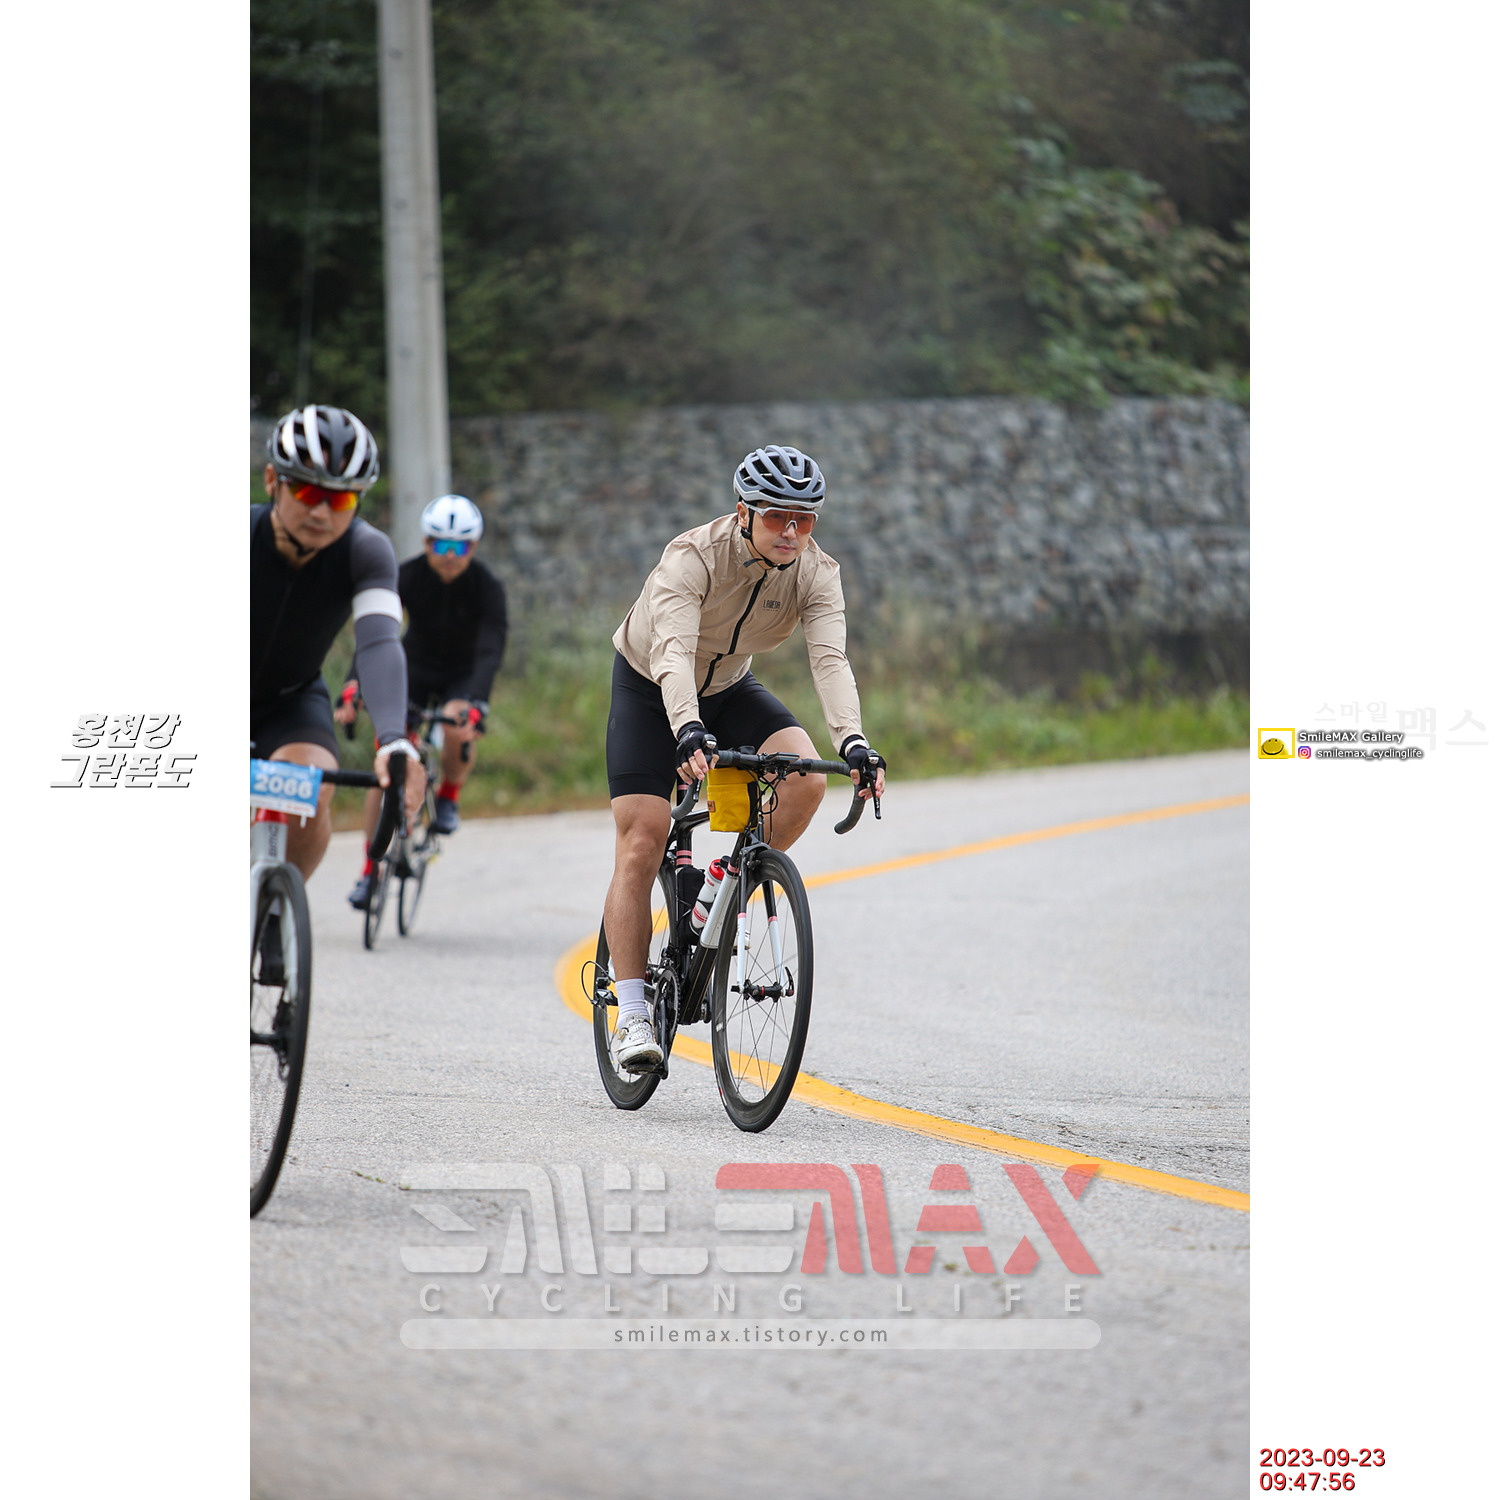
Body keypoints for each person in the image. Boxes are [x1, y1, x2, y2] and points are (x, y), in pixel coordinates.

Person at [603, 444, 887, 1071]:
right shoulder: (692, 558)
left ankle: (720, 884)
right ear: (743, 513)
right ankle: (633, 1014)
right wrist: (687, 728)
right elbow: (673, 652)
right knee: (643, 836)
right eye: (777, 516)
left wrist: (854, 741)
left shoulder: (817, 573)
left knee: (805, 779)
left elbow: (830, 661)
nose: (791, 532)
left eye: (805, 519)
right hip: (651, 686)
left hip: (730, 686)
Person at [251, 404, 425, 885]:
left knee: (307, 798)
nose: (321, 511)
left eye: (341, 499)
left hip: (291, 704)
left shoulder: (366, 551)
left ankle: (272, 914)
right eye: (307, 492)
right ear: (272, 480)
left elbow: (378, 643)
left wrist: (393, 740)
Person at [339, 494, 509, 907]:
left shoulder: (487, 587)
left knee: (456, 723)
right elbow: (375, 634)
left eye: (460, 547)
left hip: (461, 674)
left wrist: (478, 703)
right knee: (387, 765)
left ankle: (448, 796)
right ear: (426, 542)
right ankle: (369, 871)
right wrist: (353, 685)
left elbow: (490, 649)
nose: (449, 555)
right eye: (441, 545)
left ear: (473, 547)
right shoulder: (407, 575)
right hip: (413, 667)